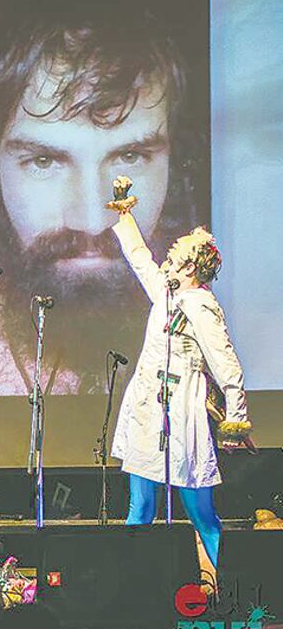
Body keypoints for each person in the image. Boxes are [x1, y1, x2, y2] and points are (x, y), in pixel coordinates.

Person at [0, 0, 207, 395]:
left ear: (172, 157)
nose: (93, 220)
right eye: (44, 160)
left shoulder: (224, 324)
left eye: (130, 156)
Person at [108, 176, 251, 568]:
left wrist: (235, 419)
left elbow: (226, 365)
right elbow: (139, 257)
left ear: (191, 263)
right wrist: (125, 209)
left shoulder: (200, 304)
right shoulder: (167, 291)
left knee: (200, 512)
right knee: (139, 508)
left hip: (180, 411)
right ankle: (131, 585)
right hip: (147, 408)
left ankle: (223, 585)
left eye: (181, 247)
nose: (172, 247)